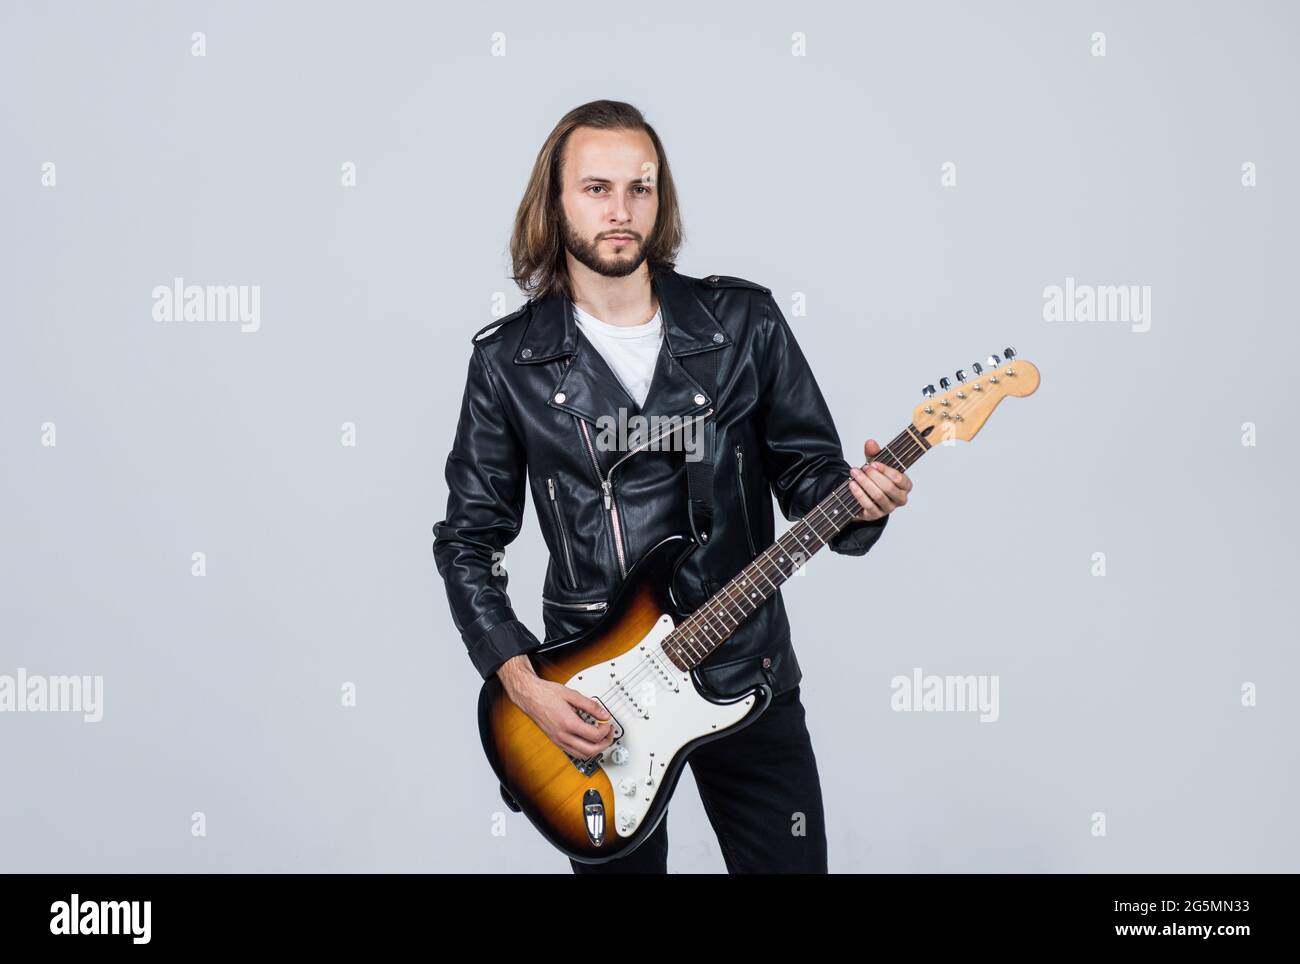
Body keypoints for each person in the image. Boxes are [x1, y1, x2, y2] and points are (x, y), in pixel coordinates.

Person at [433, 99, 912, 873]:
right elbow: (468, 539)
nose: (621, 211)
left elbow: (812, 476)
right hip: (593, 694)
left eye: (640, 188)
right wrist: (523, 683)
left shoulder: (744, 323)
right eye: (596, 189)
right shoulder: (507, 363)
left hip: (746, 670)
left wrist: (862, 504)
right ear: (554, 203)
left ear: (662, 200)